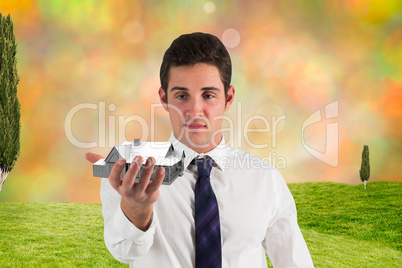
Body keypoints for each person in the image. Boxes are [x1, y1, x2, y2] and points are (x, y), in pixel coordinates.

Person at [86, 32, 314, 267]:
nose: (195, 110)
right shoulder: (131, 169)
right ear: (164, 98)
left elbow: (295, 262)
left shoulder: (265, 179)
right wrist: (137, 207)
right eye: (182, 95)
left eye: (208, 95)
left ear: (228, 97)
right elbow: (124, 251)